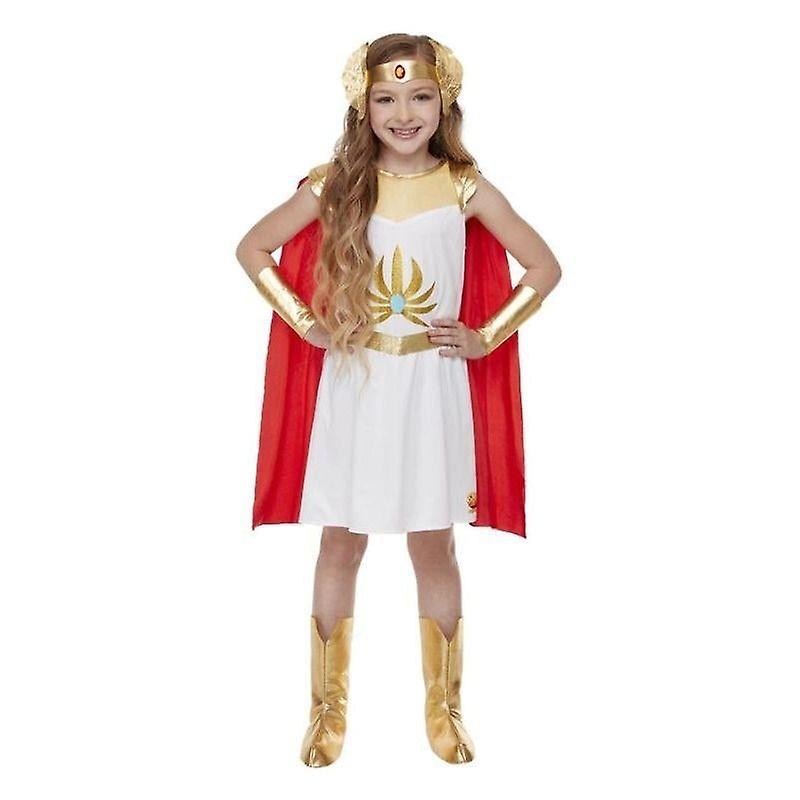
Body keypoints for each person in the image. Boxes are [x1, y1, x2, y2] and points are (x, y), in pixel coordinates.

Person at [234, 33, 562, 767]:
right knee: (340, 541)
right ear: (365, 105)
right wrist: (308, 323)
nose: (403, 113)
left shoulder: (465, 187)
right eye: (386, 98)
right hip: (355, 386)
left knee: (433, 544)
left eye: (419, 97)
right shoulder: (334, 184)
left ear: (444, 103)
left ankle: (446, 709)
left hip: (431, 389)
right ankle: (326, 712)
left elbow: (543, 266)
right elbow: (253, 248)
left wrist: (486, 335)